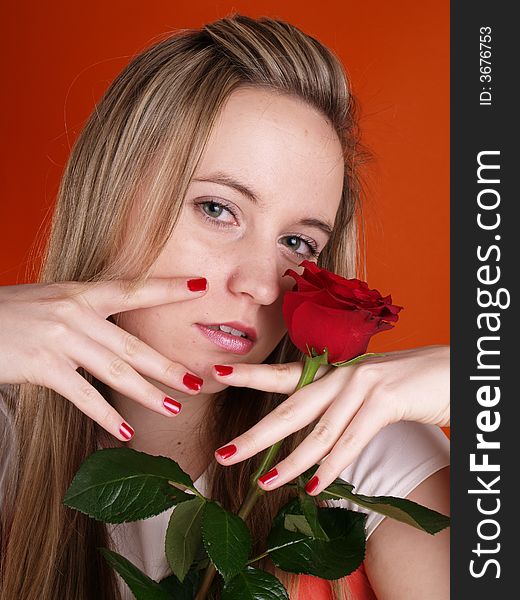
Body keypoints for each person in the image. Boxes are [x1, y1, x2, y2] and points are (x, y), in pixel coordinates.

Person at [0, 13, 449, 600]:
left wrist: (487, 383)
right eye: (217, 209)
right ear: (111, 196)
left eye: (297, 243)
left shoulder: (361, 454)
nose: (263, 286)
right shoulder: (11, 443)